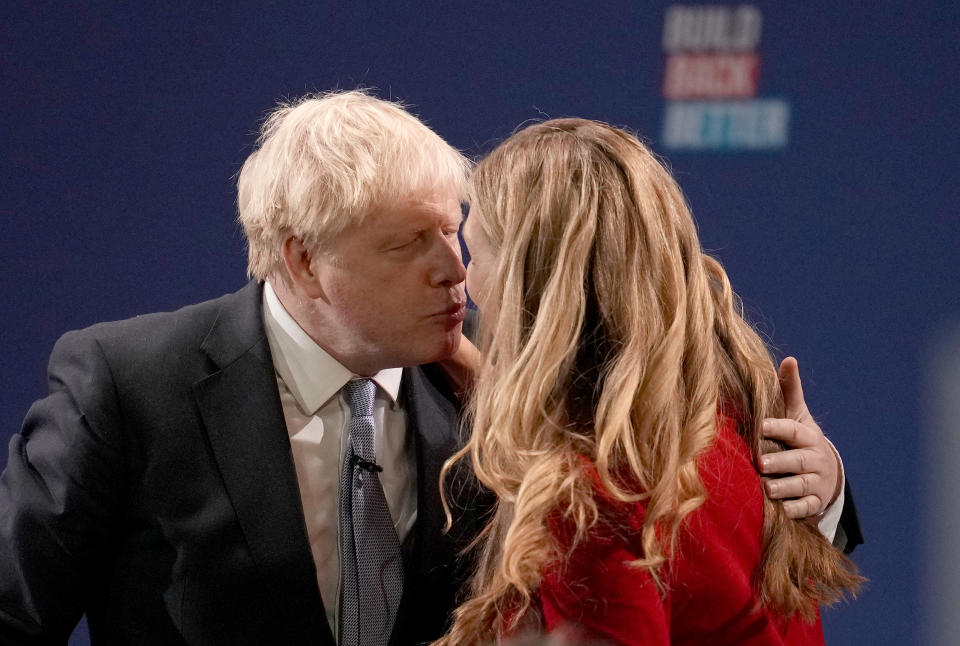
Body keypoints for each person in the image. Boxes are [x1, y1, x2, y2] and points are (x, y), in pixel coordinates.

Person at [0, 92, 856, 646]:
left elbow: (700, 545)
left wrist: (829, 497)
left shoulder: (515, 420)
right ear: (303, 261)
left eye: (457, 231)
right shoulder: (127, 382)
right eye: (410, 245)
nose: (454, 270)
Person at [435, 118, 863, 646]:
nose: (461, 276)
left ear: (537, 285)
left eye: (474, 253)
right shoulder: (735, 396)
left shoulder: (596, 494)